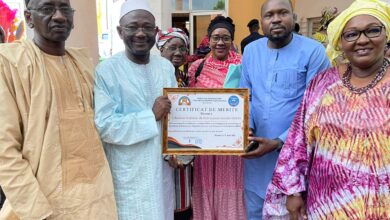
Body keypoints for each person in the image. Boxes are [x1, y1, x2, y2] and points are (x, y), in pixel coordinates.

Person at [263, 0, 390, 219]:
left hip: (380, 204)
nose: (362, 40)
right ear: (341, 41)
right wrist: (293, 191)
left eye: (373, 30)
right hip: (326, 204)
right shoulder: (323, 83)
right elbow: (298, 141)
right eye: (351, 34)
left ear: (386, 34)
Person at [0, 0, 117, 218]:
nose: (59, 16)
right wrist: (36, 212)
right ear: (28, 18)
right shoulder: (10, 63)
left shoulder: (82, 63)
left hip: (97, 201)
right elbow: (4, 152)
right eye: (47, 9)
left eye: (65, 9)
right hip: (44, 206)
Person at [239, 0, 331, 219]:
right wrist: (246, 130)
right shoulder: (251, 51)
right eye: (269, 15)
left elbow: (316, 109)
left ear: (294, 17)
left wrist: (280, 141)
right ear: (261, 22)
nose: (276, 19)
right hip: (255, 162)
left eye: (283, 13)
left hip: (295, 168)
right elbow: (245, 96)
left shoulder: (313, 52)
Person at [93, 0, 177, 219]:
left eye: (147, 27)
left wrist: (180, 152)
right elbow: (105, 126)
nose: (140, 33)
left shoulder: (166, 68)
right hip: (128, 174)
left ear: (156, 32)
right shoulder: (106, 71)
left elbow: (176, 118)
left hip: (162, 171)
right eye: (132, 27)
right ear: (120, 32)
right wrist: (150, 116)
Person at [188, 16, 245, 220]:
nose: (220, 42)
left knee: (231, 183)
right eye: (215, 37)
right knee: (206, 183)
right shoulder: (197, 67)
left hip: (231, 143)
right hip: (204, 145)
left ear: (232, 40)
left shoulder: (242, 65)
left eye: (226, 38)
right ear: (208, 39)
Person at [156, 27, 194, 220]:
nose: (178, 53)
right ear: (161, 49)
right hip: (157, 151)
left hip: (182, 152)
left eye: (183, 48)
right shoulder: (154, 77)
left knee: (181, 204)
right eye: (172, 47)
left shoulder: (184, 77)